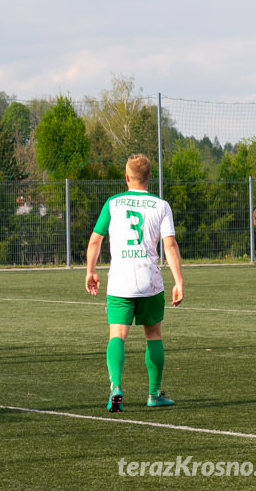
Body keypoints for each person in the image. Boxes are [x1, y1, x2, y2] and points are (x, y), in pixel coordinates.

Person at [85, 154, 184, 412]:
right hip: (150, 280)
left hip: (120, 281)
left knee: (117, 334)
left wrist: (90, 271)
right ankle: (153, 394)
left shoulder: (113, 203)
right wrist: (179, 281)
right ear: (150, 177)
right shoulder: (161, 205)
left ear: (126, 177)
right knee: (153, 335)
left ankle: (116, 386)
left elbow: (95, 240)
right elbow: (170, 245)